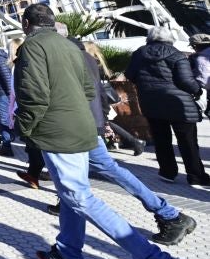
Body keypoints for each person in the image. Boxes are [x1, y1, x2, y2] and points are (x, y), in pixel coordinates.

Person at [14, 4, 201, 259]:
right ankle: (68, 255)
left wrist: (24, 128)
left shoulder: (32, 47)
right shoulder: (72, 48)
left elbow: (33, 95)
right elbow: (90, 89)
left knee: (79, 197)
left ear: (25, 22)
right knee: (74, 194)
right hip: (84, 128)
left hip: (57, 133)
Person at [125, 26, 209, 188]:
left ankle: (167, 172)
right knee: (188, 141)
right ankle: (196, 176)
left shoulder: (138, 54)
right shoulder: (176, 54)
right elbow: (186, 81)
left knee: (161, 139)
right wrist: (197, 91)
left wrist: (147, 86)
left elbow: (130, 75)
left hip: (152, 103)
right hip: (179, 104)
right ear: (170, 38)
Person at [82, 40, 145, 155]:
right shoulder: (99, 62)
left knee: (106, 122)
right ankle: (133, 142)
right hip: (102, 97)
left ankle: (134, 142)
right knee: (107, 122)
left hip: (98, 98)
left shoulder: (90, 63)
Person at [188, 33, 210, 118]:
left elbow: (204, 81)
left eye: (193, 46)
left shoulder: (199, 58)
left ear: (196, 45)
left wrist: (196, 89)